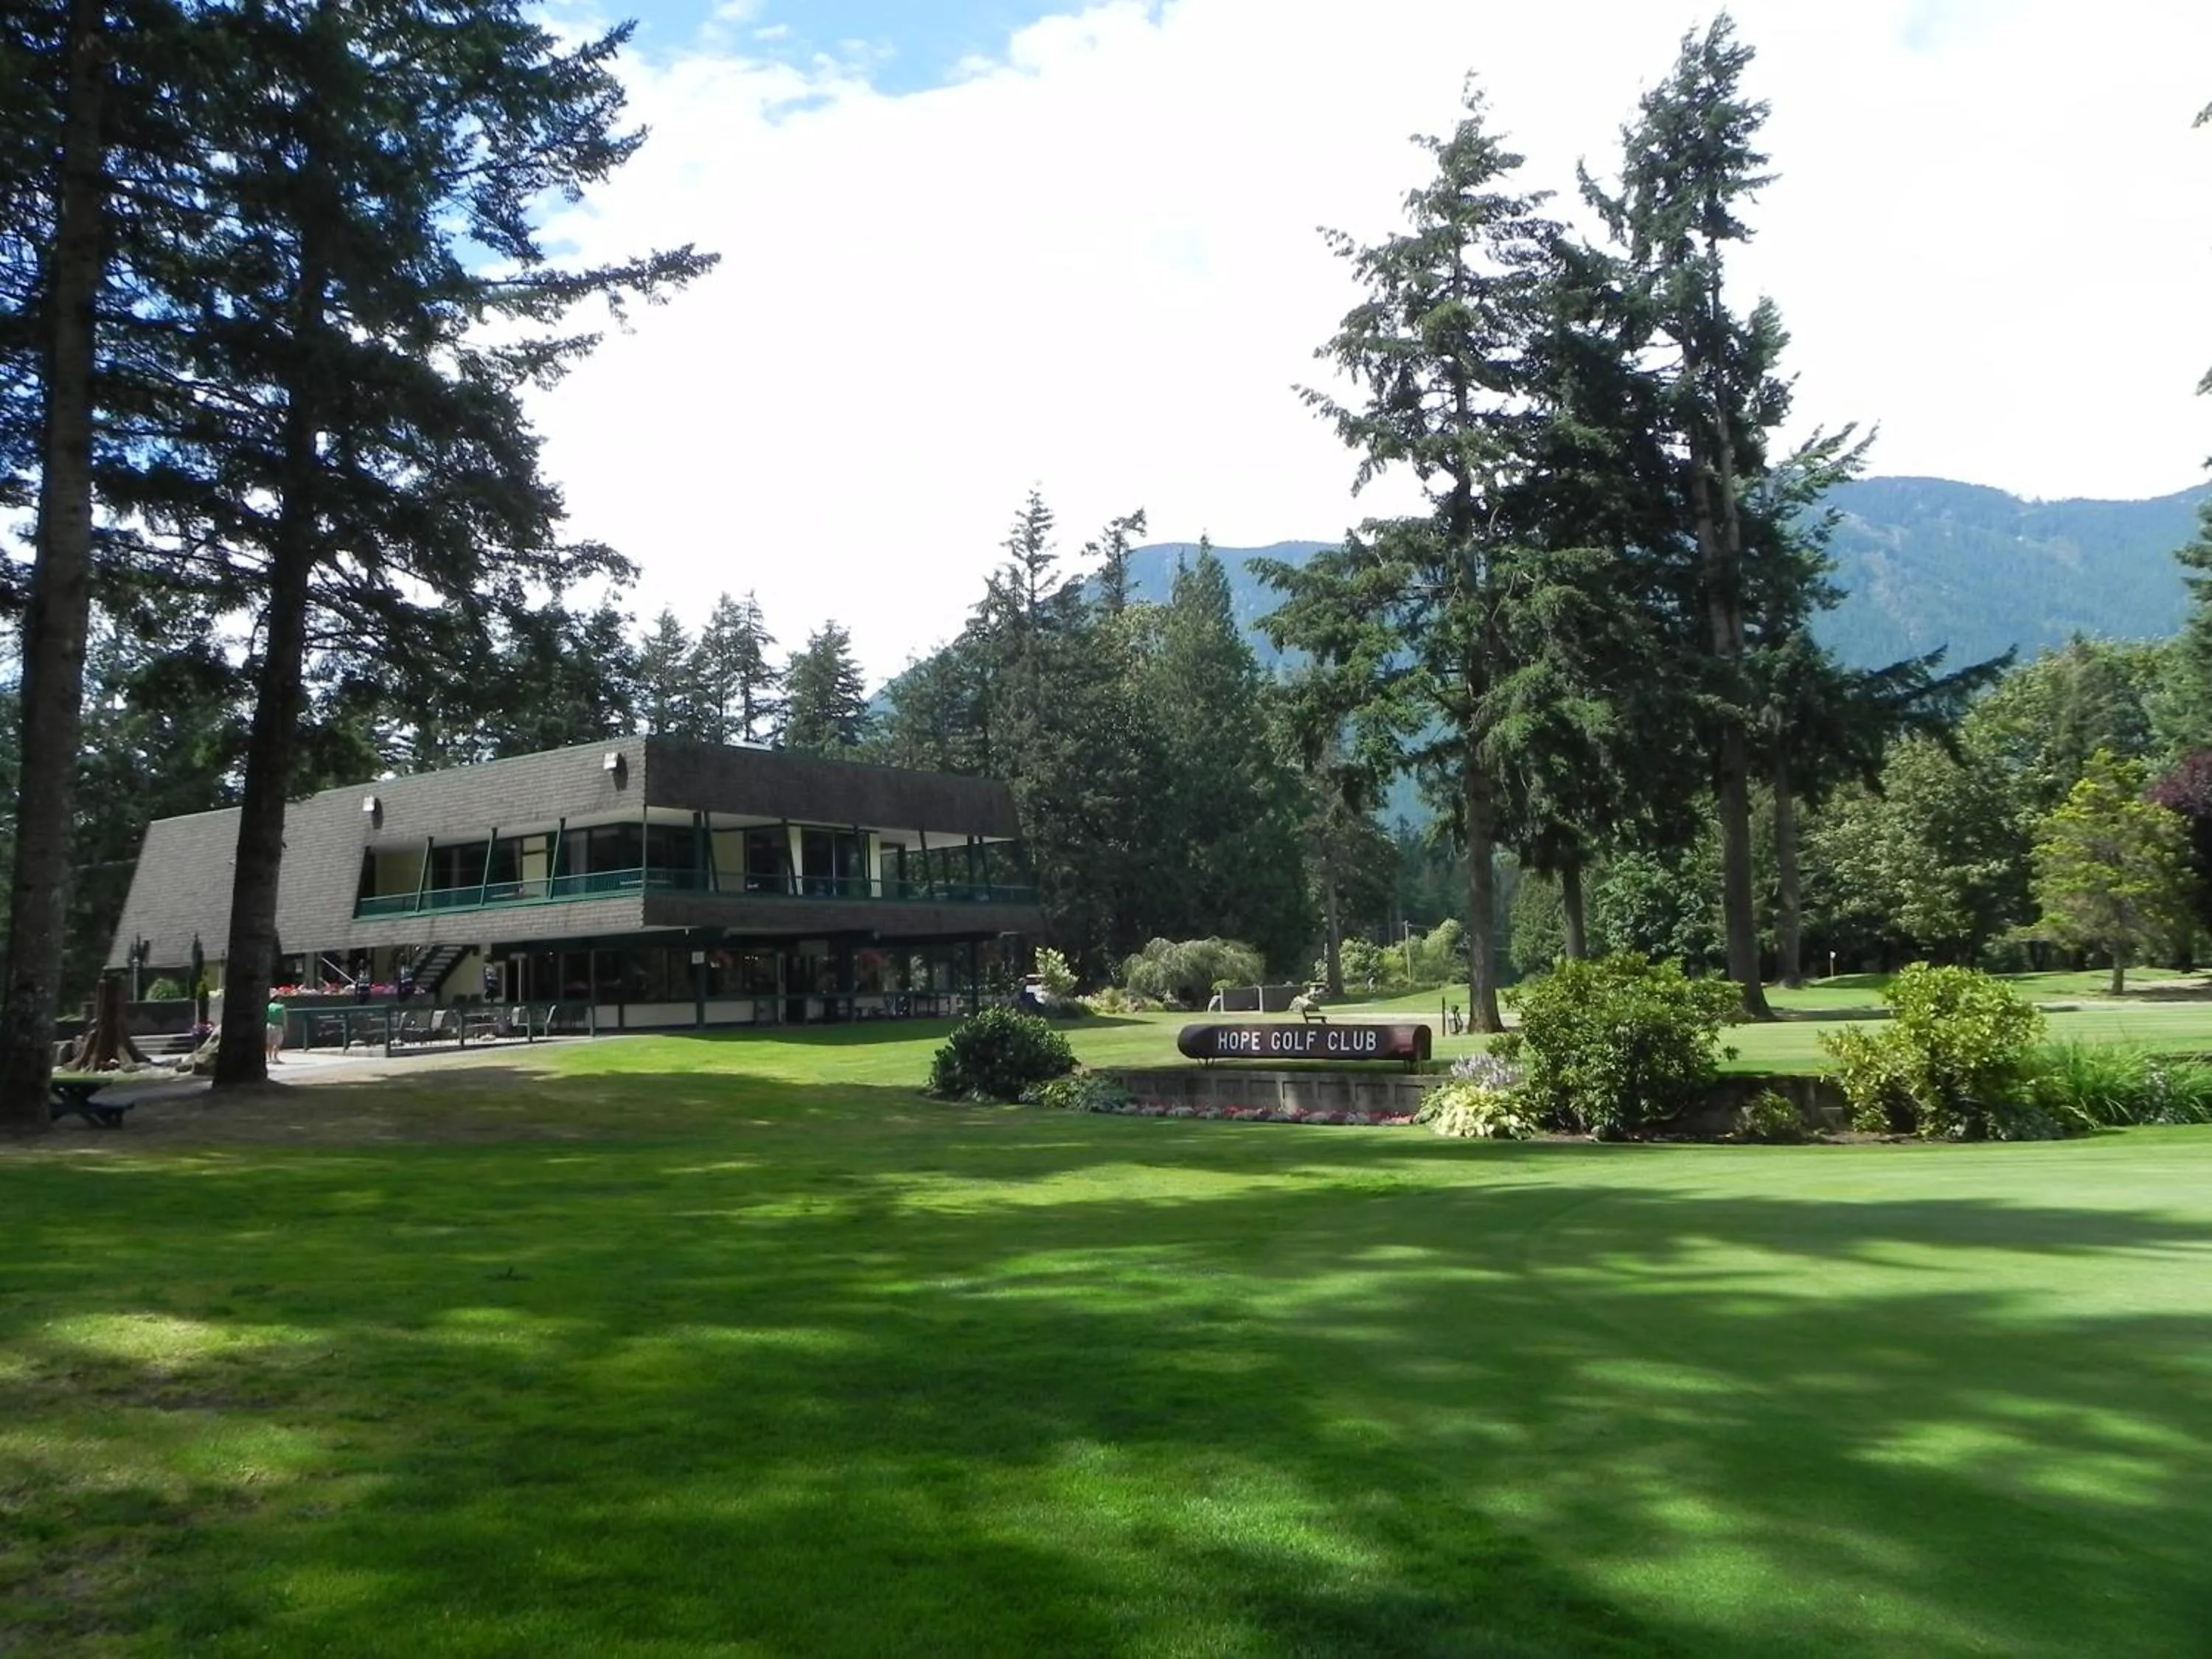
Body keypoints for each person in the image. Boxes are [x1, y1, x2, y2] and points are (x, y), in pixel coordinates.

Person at [265, 996, 287, 1064]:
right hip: (278, 1026)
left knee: (269, 1043)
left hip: (269, 1025)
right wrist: (285, 1027)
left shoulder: (268, 1006)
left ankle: (269, 1058)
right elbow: (284, 1018)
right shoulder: (282, 1007)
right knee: (277, 1043)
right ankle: (275, 1058)